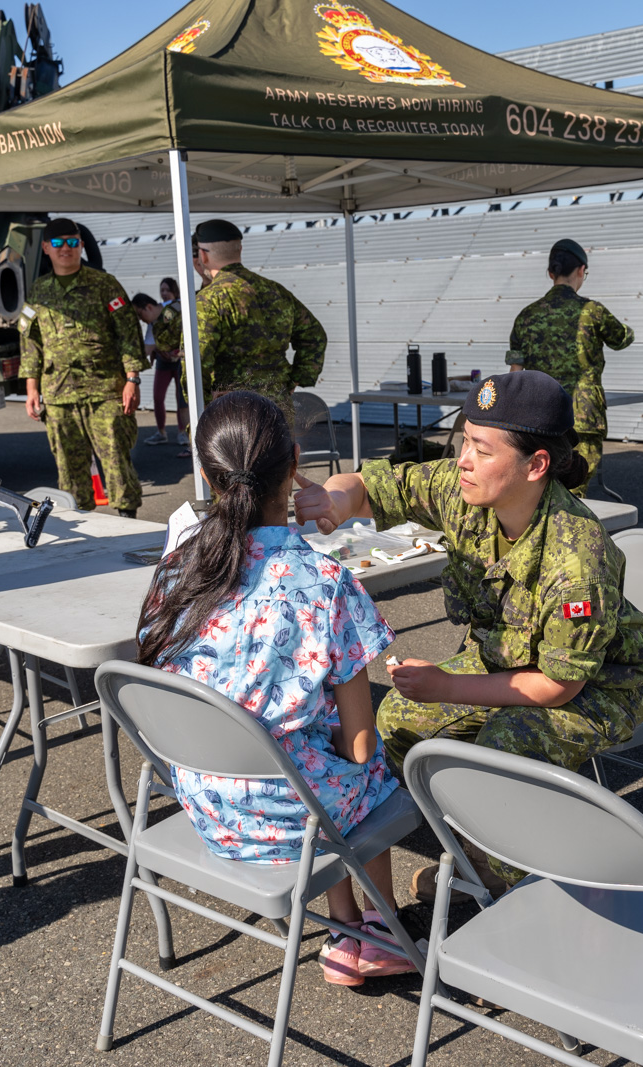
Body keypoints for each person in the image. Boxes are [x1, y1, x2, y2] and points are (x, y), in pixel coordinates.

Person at [293, 370, 643, 891]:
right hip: (507, 657)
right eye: (464, 440)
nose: (463, 459)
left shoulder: (578, 561)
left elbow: (558, 685)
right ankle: (475, 843)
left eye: (482, 450)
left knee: (503, 747)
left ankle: (511, 880)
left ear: (536, 465)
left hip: (601, 684)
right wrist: (335, 500)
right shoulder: (463, 486)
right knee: (398, 720)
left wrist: (446, 685)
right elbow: (367, 486)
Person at [137, 390, 414, 985]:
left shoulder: (177, 572)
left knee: (311, 748)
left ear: (207, 473)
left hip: (207, 802)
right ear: (294, 464)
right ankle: (381, 931)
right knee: (360, 763)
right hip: (295, 818)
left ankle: (345, 927)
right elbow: (360, 743)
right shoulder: (324, 581)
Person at [20, 218, 148, 517]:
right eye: (58, 243)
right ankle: (82, 525)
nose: (65, 248)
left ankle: (129, 522)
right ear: (46, 248)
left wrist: (132, 380)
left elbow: (128, 332)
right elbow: (29, 342)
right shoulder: (38, 291)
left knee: (116, 460)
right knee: (69, 468)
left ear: (81, 246)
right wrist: (31, 389)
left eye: (72, 242)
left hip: (105, 390)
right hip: (59, 395)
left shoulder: (105, 284)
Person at [506, 238, 634, 496]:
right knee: (575, 490)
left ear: (551, 273)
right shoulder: (592, 311)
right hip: (583, 416)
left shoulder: (526, 316)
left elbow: (515, 374)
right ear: (581, 270)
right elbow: (622, 338)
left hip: (540, 418)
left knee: (539, 490)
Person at [193, 218, 327, 426]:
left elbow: (196, 359)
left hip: (231, 409)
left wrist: (203, 402)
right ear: (240, 249)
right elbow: (315, 336)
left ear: (203, 255)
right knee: (281, 448)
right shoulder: (276, 291)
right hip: (277, 404)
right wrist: (295, 379)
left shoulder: (208, 299)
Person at [131, 293, 189, 448]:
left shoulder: (173, 309)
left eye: (140, 314)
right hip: (165, 362)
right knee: (158, 396)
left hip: (183, 361)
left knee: (182, 400)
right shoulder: (153, 326)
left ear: (149, 307)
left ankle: (184, 434)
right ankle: (161, 432)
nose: (140, 319)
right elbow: (146, 350)